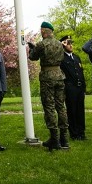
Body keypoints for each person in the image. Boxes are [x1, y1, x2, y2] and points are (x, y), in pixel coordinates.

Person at [28, 22, 69, 151]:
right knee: (61, 107)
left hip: (47, 77)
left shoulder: (42, 44)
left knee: (49, 107)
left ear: (44, 31)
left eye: (41, 31)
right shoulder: (59, 44)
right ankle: (65, 139)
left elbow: (33, 57)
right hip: (59, 76)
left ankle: (54, 139)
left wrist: (32, 49)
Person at [59, 35, 87, 141]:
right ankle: (74, 133)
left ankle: (81, 132)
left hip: (79, 88)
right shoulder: (61, 58)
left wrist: (84, 88)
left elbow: (81, 73)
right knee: (72, 111)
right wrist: (60, 44)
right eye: (68, 43)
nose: (71, 45)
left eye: (71, 43)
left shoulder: (76, 57)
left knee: (80, 110)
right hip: (70, 88)